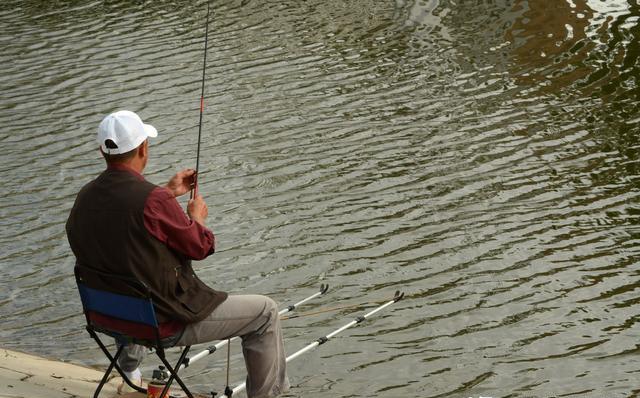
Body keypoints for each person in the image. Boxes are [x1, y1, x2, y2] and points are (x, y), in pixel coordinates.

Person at [66, 110, 289, 398]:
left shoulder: (85, 196)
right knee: (265, 312)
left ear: (102, 150)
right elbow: (201, 246)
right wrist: (196, 218)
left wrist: (168, 193)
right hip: (161, 325)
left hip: (106, 318)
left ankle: (129, 369)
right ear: (144, 148)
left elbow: (122, 222)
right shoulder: (152, 200)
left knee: (124, 274)